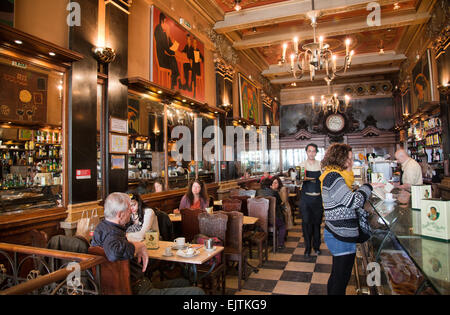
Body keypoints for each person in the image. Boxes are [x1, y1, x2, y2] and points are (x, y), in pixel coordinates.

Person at [91, 192, 204, 295]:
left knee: (184, 282)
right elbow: (113, 252)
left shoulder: (102, 227)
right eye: (128, 210)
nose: (131, 211)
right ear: (120, 214)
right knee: (198, 292)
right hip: (138, 289)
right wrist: (137, 245)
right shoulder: (112, 233)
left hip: (139, 283)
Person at [319, 143, 374, 295]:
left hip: (341, 233)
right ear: (340, 158)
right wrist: (368, 187)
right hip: (339, 234)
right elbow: (353, 201)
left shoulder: (337, 176)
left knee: (338, 276)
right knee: (340, 278)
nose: (352, 161)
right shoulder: (333, 176)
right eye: (349, 158)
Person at [298, 143, 323, 257]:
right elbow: (299, 181)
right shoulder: (302, 165)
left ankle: (316, 247)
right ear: (306, 152)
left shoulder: (321, 165)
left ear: (316, 152)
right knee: (306, 224)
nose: (311, 153)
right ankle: (307, 248)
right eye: (309, 151)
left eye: (313, 151)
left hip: (318, 198)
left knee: (317, 224)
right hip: (306, 199)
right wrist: (299, 179)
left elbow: (324, 180)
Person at [256, 177, 287, 249]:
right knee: (282, 226)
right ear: (270, 185)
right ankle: (280, 244)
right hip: (273, 219)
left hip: (260, 219)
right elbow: (280, 203)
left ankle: (264, 241)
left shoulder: (258, 192)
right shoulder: (274, 192)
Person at [154, 12, 180, 90]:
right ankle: (174, 81)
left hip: (164, 55)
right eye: (165, 22)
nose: (166, 25)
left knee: (173, 60)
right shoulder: (158, 29)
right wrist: (172, 52)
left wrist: (174, 45)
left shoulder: (164, 32)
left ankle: (174, 80)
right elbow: (164, 46)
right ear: (162, 21)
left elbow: (170, 44)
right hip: (161, 56)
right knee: (172, 60)